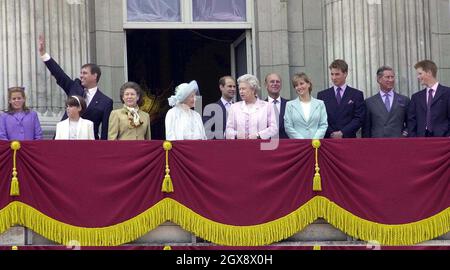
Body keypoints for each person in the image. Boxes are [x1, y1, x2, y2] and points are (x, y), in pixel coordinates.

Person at [38, 35, 113, 140]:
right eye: (81, 73)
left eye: (85, 73)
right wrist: (44, 55)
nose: (81, 76)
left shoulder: (106, 102)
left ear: (95, 76)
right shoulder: (74, 87)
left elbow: (105, 131)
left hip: (88, 146)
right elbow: (59, 74)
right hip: (64, 142)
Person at [317, 59, 365, 138]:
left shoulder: (356, 94)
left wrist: (343, 132)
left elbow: (359, 118)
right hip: (329, 139)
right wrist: (332, 133)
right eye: (332, 74)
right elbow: (320, 118)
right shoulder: (322, 95)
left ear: (345, 74)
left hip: (348, 139)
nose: (334, 77)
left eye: (337, 74)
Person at [225, 74, 278, 139]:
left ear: (253, 90)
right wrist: (237, 135)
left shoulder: (267, 106)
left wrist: (258, 135)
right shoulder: (234, 107)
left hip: (260, 145)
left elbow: (273, 128)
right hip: (240, 146)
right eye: (240, 89)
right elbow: (228, 130)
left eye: (243, 89)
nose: (241, 92)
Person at [363, 66, 410, 138]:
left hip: (399, 142)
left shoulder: (405, 100)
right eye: (387, 77)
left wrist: (404, 135)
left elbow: (410, 123)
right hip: (378, 143)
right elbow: (366, 128)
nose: (391, 80)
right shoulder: (369, 102)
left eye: (392, 77)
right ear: (379, 79)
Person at [408, 60, 450, 137]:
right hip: (421, 141)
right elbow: (411, 121)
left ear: (429, 73)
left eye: (420, 73)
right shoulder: (416, 97)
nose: (418, 77)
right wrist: (413, 138)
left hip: (443, 140)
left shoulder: (447, 93)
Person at [284, 73, 328, 139]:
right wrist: (303, 141)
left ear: (308, 84)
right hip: (298, 145)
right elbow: (288, 127)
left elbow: (323, 124)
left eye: (301, 83)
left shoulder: (320, 104)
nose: (299, 87)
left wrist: (315, 139)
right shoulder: (290, 105)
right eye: (296, 85)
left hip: (316, 144)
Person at [264, 73, 289, 138]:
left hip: (286, 145)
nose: (275, 84)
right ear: (266, 85)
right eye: (272, 81)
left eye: (277, 82)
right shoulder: (261, 106)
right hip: (267, 145)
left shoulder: (289, 104)